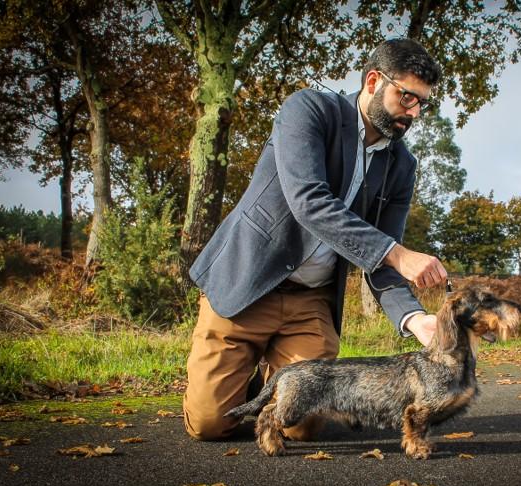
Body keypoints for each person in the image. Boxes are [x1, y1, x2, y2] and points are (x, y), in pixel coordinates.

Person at [183, 38, 448, 441]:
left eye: (421, 104)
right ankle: (243, 381)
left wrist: (416, 320)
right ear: (374, 80)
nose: (412, 113)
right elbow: (308, 201)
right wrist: (396, 254)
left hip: (311, 302)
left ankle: (274, 383)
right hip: (247, 283)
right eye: (406, 97)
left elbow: (382, 262)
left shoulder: (402, 166)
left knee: (301, 425)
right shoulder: (309, 110)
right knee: (210, 424)